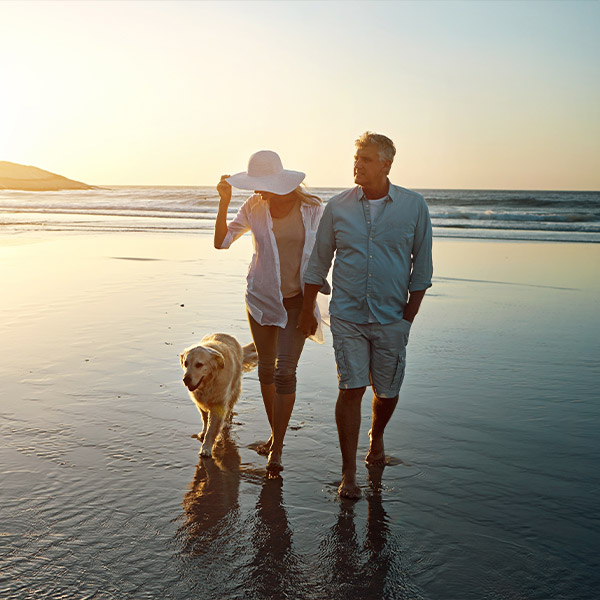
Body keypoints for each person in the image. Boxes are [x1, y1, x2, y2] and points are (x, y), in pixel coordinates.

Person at [298, 132, 433, 498]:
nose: (357, 164)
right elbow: (318, 263)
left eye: (367, 159)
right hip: (347, 316)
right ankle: (348, 474)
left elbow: (421, 272)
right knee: (351, 387)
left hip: (392, 318)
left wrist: (407, 321)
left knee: (387, 392)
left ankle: (377, 437)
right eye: (356, 158)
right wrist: (308, 308)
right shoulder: (338, 207)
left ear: (387, 164)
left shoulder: (414, 206)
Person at [214, 150, 326, 475]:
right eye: (253, 185)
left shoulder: (313, 210)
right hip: (261, 299)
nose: (256, 190)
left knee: (285, 372)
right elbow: (222, 242)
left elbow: (322, 258)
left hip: (298, 302)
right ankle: (276, 436)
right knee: (265, 369)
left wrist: (309, 309)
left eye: (260, 184)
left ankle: (276, 450)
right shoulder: (254, 207)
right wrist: (225, 200)